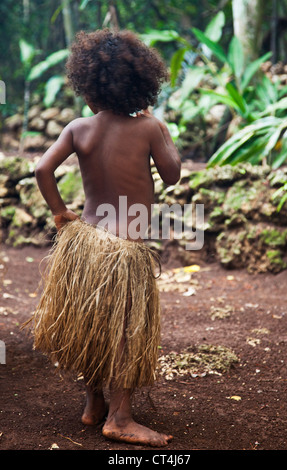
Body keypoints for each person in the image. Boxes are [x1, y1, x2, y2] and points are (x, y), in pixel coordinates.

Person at [29, 28, 181, 447]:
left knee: (93, 324)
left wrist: (61, 212)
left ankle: (93, 403)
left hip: (84, 244)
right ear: (139, 85)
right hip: (125, 252)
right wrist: (161, 133)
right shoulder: (148, 128)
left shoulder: (79, 128)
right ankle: (120, 416)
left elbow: (41, 170)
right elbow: (172, 175)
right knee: (127, 331)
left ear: (89, 86)